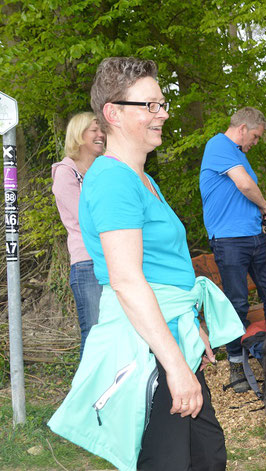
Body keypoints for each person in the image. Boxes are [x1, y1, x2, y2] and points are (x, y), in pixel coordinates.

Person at [48, 57, 243, 471]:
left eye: (162, 103)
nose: (163, 113)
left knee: (206, 455)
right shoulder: (114, 179)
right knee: (171, 461)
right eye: (150, 105)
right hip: (146, 348)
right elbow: (126, 279)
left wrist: (190, 326)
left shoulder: (143, 178)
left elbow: (162, 268)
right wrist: (174, 364)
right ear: (113, 113)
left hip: (170, 336)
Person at [200, 107, 266, 393]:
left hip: (256, 237)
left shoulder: (239, 154)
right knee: (237, 303)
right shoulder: (218, 145)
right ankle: (236, 362)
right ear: (243, 128)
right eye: (256, 136)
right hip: (229, 241)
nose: (255, 143)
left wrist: (259, 217)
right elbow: (245, 185)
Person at [52, 112, 105, 358]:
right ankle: (84, 395)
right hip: (87, 264)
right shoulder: (66, 172)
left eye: (101, 129)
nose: (101, 134)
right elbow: (88, 219)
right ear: (78, 134)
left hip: (113, 260)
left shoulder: (104, 169)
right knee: (95, 333)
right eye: (94, 129)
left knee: (115, 332)